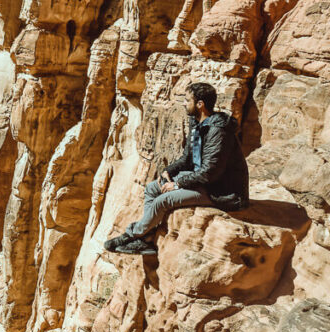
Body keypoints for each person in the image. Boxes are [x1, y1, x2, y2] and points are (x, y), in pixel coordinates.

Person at [104, 82, 250, 255]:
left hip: (221, 191)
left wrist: (178, 184)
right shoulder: (198, 123)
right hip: (203, 181)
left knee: (162, 201)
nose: (184, 103)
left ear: (200, 104)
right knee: (152, 188)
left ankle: (132, 235)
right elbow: (188, 157)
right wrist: (170, 170)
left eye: (187, 100)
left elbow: (211, 172)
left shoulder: (218, 131)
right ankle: (146, 237)